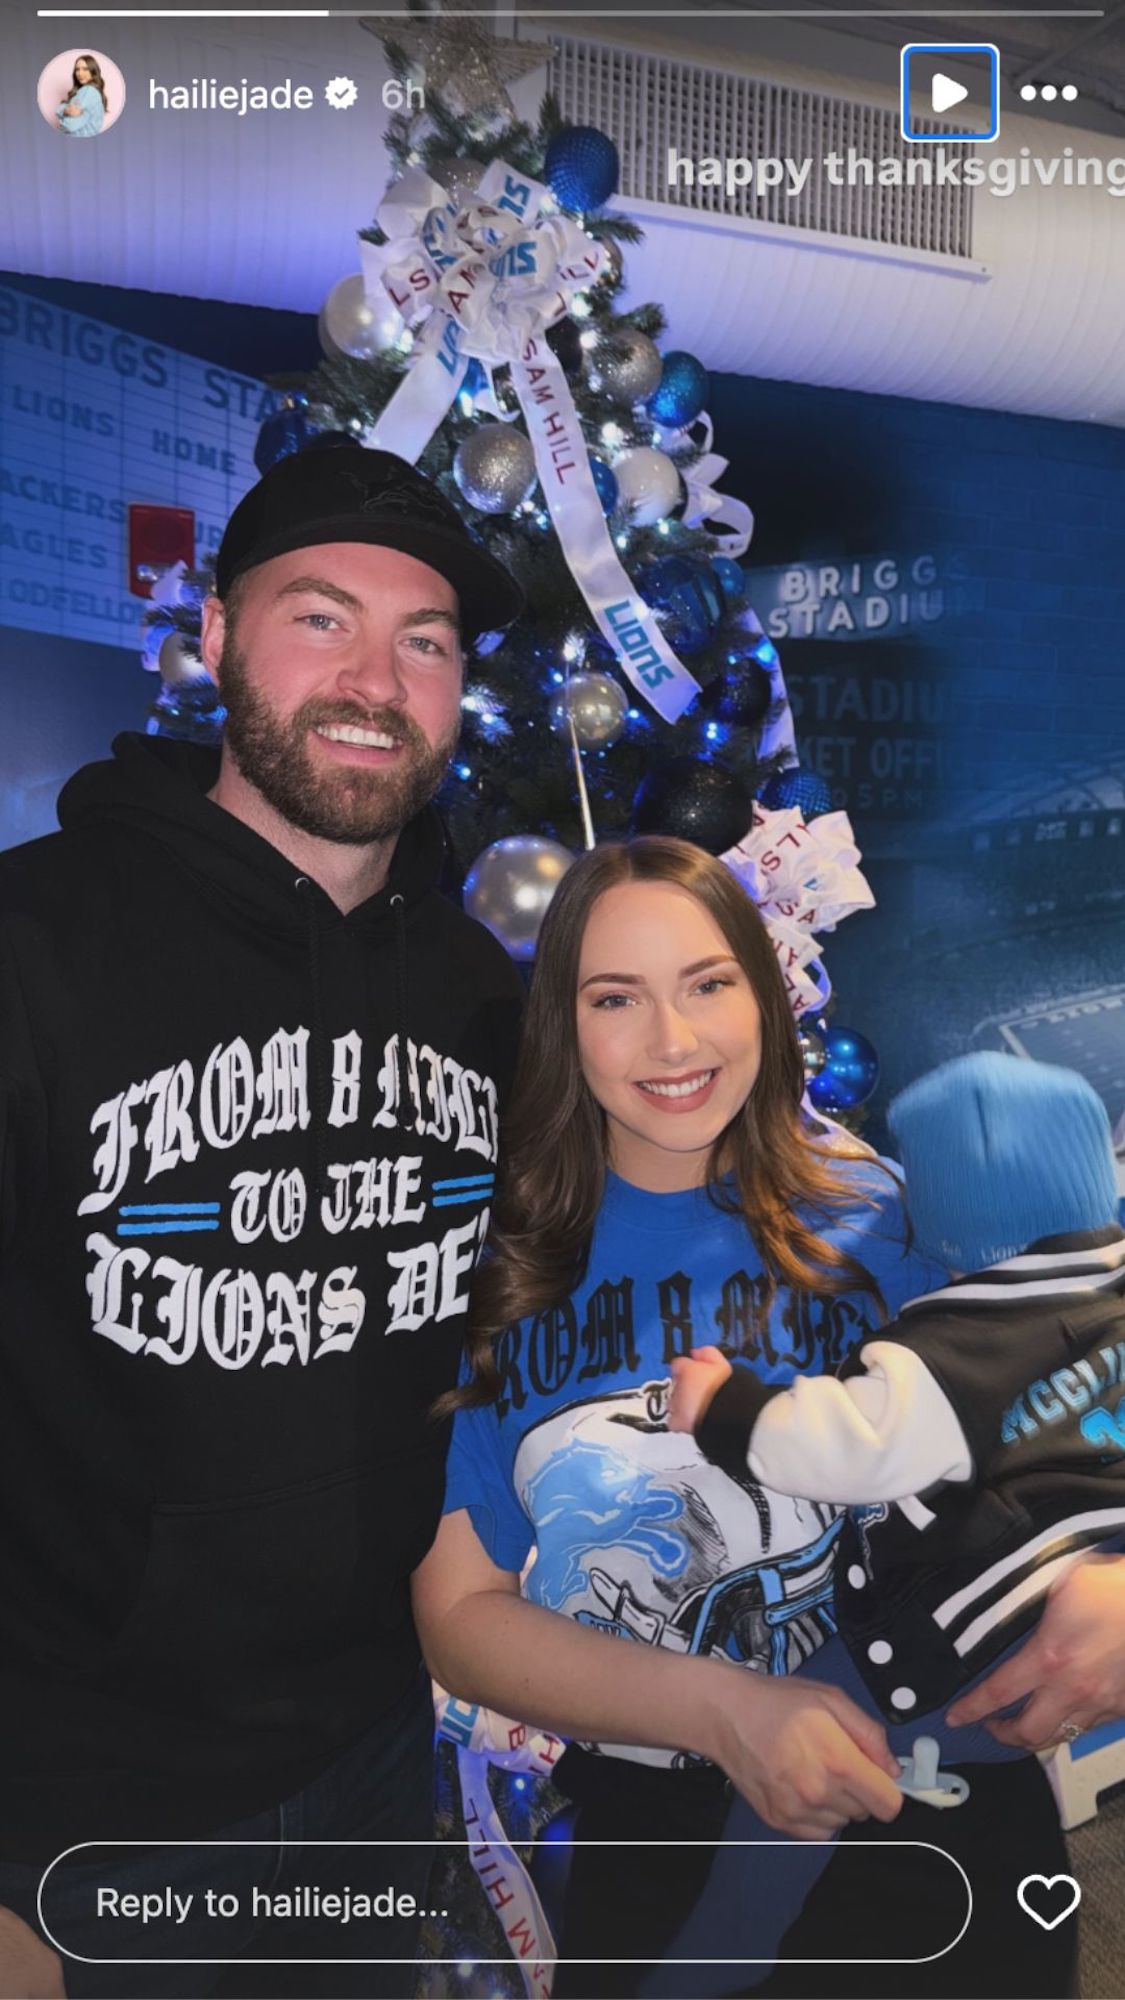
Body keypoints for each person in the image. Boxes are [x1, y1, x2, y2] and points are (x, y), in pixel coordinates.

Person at [0, 441, 526, 1998]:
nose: (375, 680)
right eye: (320, 618)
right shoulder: (34, 945)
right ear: (220, 632)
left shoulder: (473, 987)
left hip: (377, 1754)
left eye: (424, 640)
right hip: (87, 1805)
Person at [412, 835, 946, 2000]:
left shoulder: (880, 1207)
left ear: (765, 992)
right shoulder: (499, 1270)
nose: (674, 1040)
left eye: (709, 982)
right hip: (654, 1841)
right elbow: (458, 1613)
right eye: (617, 997)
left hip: (923, 1794)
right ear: (563, 1025)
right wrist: (725, 1709)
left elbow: (1043, 1436)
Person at [656, 1049, 1125, 1992]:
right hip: (1090, 1601)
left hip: (969, 1645)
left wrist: (722, 1408)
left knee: (807, 1742)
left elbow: (840, 1444)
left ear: (939, 1222)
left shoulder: (952, 1347)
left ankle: (720, 1956)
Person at [55, 55, 107, 136]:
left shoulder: (88, 91)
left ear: (93, 71)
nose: (80, 73)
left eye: (85, 69)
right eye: (77, 69)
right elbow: (59, 111)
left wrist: (62, 113)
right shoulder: (91, 91)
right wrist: (65, 110)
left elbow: (69, 125)